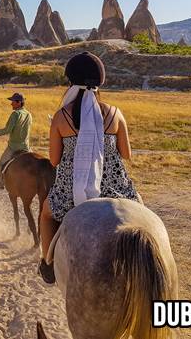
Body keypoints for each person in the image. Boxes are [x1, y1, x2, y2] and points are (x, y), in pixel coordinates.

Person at [38, 52, 142, 284]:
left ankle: (48, 264)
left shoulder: (61, 117)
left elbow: (54, 161)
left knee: (46, 212)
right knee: (143, 213)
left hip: (71, 193)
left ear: (71, 82)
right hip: (116, 190)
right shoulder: (115, 113)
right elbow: (127, 154)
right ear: (100, 82)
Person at [0, 92, 32, 189]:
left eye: (13, 101)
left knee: (2, 163)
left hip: (14, 147)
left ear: (19, 102)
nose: (11, 103)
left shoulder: (15, 114)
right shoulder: (29, 114)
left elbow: (7, 130)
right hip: (26, 147)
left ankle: (0, 182)